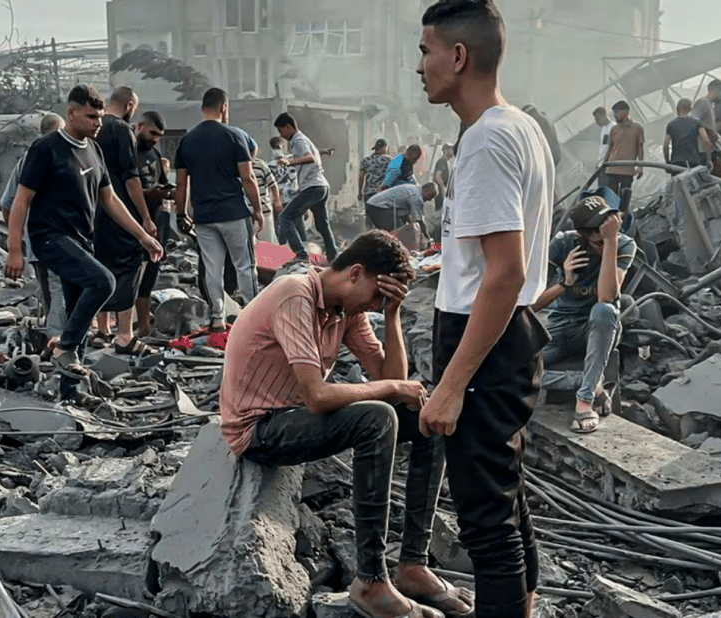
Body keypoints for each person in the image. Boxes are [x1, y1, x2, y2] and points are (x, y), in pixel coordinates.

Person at [220, 230, 468, 618]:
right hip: (259, 429)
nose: (372, 307)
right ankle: (370, 581)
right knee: (376, 418)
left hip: (294, 416)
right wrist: (391, 386)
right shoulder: (295, 293)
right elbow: (318, 396)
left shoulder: (344, 311)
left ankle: (413, 566)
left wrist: (392, 316)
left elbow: (393, 384)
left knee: (428, 416)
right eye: (376, 298)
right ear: (355, 273)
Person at [417, 1, 555, 616]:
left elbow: (506, 272)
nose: (418, 66)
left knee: (483, 517)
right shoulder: (517, 125)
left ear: (458, 56)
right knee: (504, 493)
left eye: (425, 51)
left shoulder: (488, 141)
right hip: (509, 334)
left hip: (485, 338)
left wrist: (450, 384)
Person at [4, 85, 163, 406]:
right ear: (72, 113)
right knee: (103, 282)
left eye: (100, 117)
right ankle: (63, 345)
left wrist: (143, 235)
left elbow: (111, 199)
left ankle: (70, 395)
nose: (97, 123)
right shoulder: (46, 149)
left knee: (79, 313)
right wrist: (14, 249)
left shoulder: (94, 150)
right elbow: (20, 200)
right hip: (50, 238)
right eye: (91, 116)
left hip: (81, 241)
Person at [533, 195, 636, 434]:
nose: (606, 230)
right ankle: (586, 382)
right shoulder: (563, 244)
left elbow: (607, 297)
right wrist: (565, 283)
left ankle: (585, 400)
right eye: (599, 231)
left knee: (604, 310)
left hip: (598, 328)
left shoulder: (622, 244)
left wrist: (610, 242)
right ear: (583, 233)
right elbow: (531, 306)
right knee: (510, 368)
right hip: (560, 328)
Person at [174, 88, 263, 333]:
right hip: (234, 212)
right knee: (245, 265)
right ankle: (253, 317)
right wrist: (257, 210)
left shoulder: (187, 140)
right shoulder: (234, 136)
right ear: (223, 107)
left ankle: (217, 319)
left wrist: (181, 214)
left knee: (213, 269)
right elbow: (248, 177)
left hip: (203, 217)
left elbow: (181, 183)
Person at [92, 86, 159, 355]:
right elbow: (131, 179)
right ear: (130, 105)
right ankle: (124, 334)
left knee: (100, 265)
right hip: (119, 211)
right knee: (129, 266)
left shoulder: (92, 128)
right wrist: (144, 216)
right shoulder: (122, 130)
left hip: (92, 210)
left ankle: (101, 330)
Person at [1, 114, 67, 347]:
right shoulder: (58, 156)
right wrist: (16, 244)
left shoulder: (29, 158)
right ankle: (57, 342)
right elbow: (11, 203)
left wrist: (19, 238)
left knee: (53, 294)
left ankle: (58, 340)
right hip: (53, 240)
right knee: (58, 291)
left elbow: (7, 203)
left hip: (41, 242)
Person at [274, 113, 338, 263]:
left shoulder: (299, 140)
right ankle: (333, 256)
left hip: (313, 187)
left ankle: (301, 255)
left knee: (285, 217)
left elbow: (310, 158)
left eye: (281, 131)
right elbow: (312, 155)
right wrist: (323, 152)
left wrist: (289, 162)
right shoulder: (303, 140)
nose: (281, 135)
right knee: (322, 225)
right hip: (321, 186)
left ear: (288, 127)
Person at [133, 111, 173, 338]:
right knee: (132, 274)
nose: (155, 138)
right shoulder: (127, 152)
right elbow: (124, 190)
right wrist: (149, 194)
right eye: (152, 133)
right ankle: (125, 327)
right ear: (139, 127)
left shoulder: (154, 154)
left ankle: (145, 325)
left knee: (150, 274)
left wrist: (166, 193)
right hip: (135, 224)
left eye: (159, 135)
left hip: (157, 222)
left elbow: (164, 184)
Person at [603, 101, 644, 203]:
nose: (615, 115)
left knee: (624, 199)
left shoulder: (637, 128)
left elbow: (640, 148)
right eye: (614, 113)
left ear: (626, 112)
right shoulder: (614, 129)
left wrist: (640, 166)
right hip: (612, 170)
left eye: (617, 112)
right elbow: (610, 149)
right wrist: (604, 164)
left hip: (627, 170)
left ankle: (623, 217)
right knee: (611, 199)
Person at [366, 183, 438, 239]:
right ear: (426, 190)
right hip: (379, 206)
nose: (430, 200)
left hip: (374, 204)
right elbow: (418, 220)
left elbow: (407, 217)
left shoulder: (414, 189)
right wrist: (427, 236)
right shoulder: (417, 197)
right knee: (393, 234)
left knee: (400, 230)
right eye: (430, 196)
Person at [269, 136, 305, 244]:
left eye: (279, 146)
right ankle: (283, 250)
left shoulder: (292, 159)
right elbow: (271, 185)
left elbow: (308, 157)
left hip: (294, 197)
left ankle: (306, 249)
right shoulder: (270, 165)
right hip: (281, 199)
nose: (278, 149)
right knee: (283, 226)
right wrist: (276, 200)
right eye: (276, 147)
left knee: (298, 225)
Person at [664, 99, 711, 170]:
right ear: (689, 109)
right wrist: (708, 160)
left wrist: (667, 162)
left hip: (677, 163)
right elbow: (706, 140)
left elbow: (665, 146)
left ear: (677, 109)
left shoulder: (671, 124)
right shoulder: (697, 122)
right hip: (694, 161)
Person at [250, 143, 283, 244]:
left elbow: (272, 184)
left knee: (268, 240)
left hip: (264, 210)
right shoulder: (238, 167)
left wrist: (277, 201)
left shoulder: (261, 165)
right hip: (248, 212)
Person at [359, 138, 392, 219]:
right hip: (382, 193)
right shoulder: (388, 160)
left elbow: (361, 178)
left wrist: (359, 192)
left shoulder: (365, 160)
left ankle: (368, 230)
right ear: (384, 148)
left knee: (369, 218)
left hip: (368, 193)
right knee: (382, 217)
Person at [433, 144, 455, 215]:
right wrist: (443, 189)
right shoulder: (442, 161)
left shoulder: (447, 161)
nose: (453, 151)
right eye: (451, 150)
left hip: (445, 192)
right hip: (440, 193)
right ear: (445, 150)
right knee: (440, 213)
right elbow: (438, 176)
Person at [593, 106, 615, 173]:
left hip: (610, 163)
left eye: (598, 119)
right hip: (604, 164)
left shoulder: (613, 127)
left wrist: (604, 161)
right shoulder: (604, 129)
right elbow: (604, 146)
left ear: (604, 116)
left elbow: (611, 147)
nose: (597, 122)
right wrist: (599, 162)